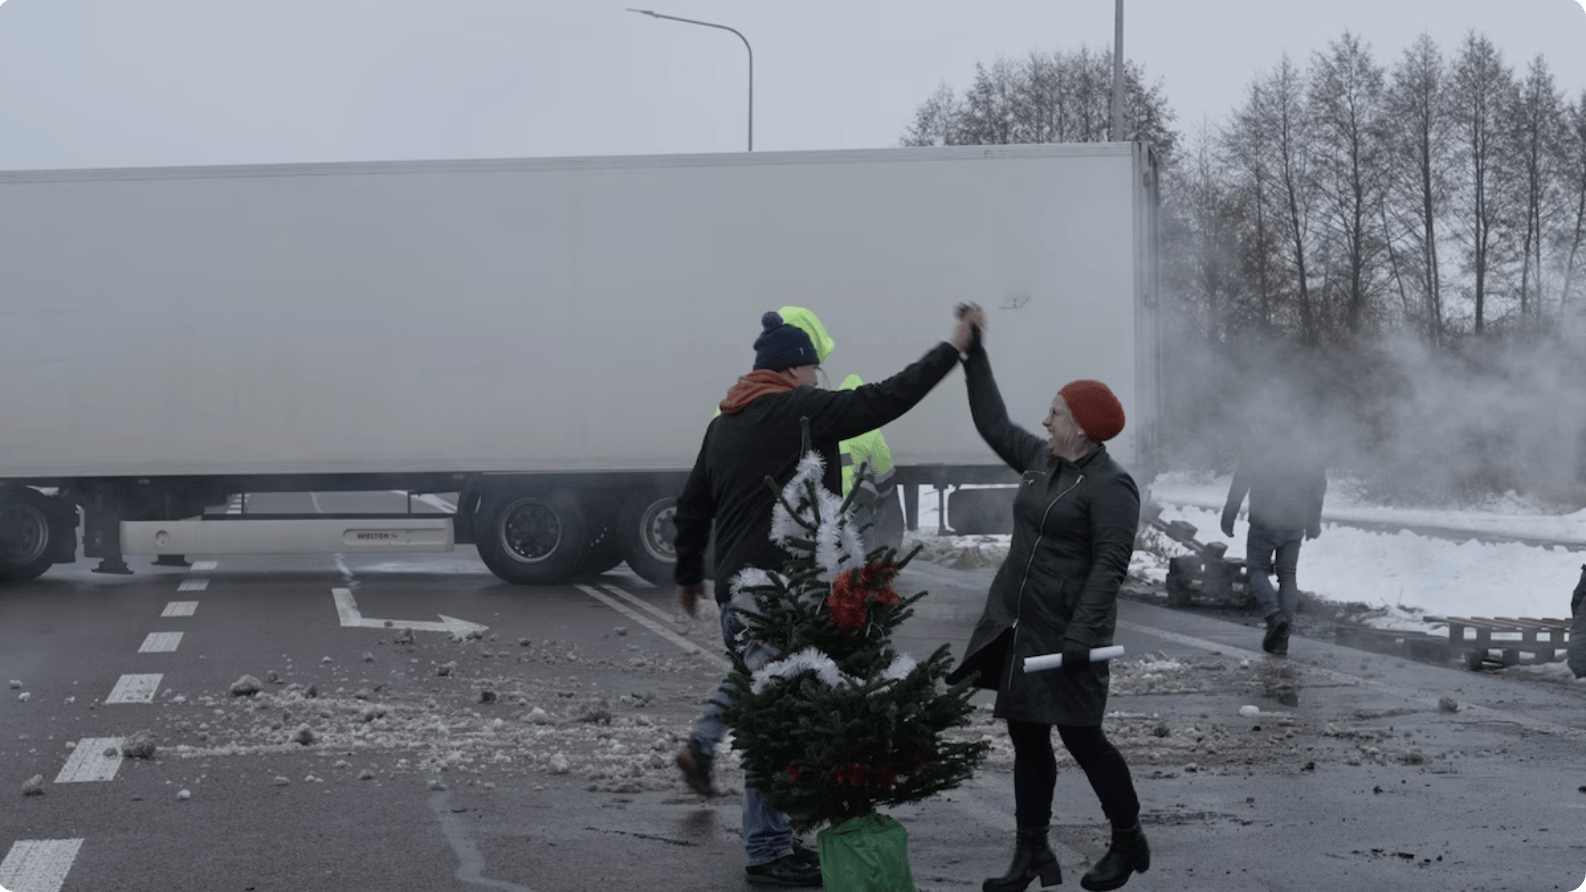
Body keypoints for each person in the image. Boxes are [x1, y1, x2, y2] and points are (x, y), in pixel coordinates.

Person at [674, 308, 977, 887]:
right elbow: (886, 398)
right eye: (814, 366)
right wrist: (952, 349)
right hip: (776, 595)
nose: (821, 376)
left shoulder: (725, 422)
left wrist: (690, 576)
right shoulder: (797, 410)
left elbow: (691, 507)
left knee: (761, 698)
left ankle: (767, 826)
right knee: (780, 714)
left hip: (741, 596)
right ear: (793, 369)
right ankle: (766, 850)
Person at [944, 304, 1149, 892]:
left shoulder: (1112, 487)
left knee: (1084, 739)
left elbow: (1110, 566)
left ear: (1081, 427)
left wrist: (1082, 635)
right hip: (1020, 625)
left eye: (1055, 413)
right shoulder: (1040, 461)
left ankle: (1129, 839)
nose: (1045, 419)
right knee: (1027, 738)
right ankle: (1031, 853)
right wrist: (973, 355)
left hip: (1069, 635)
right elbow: (992, 421)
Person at [1220, 427, 1327, 656]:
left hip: (1264, 521)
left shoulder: (1259, 444)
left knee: (1257, 570)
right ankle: (1282, 639)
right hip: (1295, 523)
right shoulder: (1307, 448)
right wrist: (1313, 521)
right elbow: (1319, 484)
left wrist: (1229, 514)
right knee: (1288, 576)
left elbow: (1241, 480)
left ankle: (1273, 614)